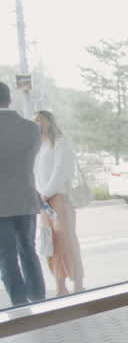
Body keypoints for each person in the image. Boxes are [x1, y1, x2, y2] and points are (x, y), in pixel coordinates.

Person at [0, 81, 46, 307]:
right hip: (26, 199)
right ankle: (38, 298)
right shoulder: (31, 128)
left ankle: (19, 306)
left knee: (6, 255)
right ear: (9, 99)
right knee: (28, 249)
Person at [33, 110, 85, 295]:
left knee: (66, 240)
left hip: (59, 198)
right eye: (35, 120)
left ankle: (77, 283)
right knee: (50, 243)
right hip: (43, 200)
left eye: (41, 119)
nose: (37, 123)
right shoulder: (38, 145)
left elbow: (60, 172)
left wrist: (45, 193)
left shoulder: (60, 143)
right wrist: (40, 195)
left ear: (49, 121)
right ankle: (60, 287)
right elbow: (36, 173)